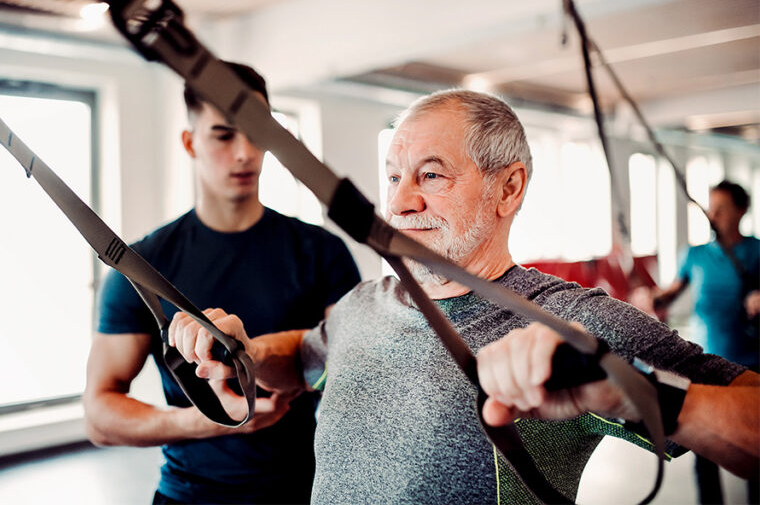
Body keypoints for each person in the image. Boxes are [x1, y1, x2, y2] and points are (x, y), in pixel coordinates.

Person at [168, 90, 759, 504]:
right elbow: (303, 355)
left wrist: (634, 390)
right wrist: (241, 349)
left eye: (431, 175)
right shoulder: (363, 303)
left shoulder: (572, 322)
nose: (399, 204)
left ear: (508, 188)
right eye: (394, 176)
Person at [82, 62, 361, 504]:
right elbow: (99, 415)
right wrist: (209, 420)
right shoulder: (142, 266)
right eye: (224, 134)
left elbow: (354, 369)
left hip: (307, 492)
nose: (245, 152)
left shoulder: (321, 252)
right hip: (191, 494)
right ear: (190, 142)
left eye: (256, 131)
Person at [652, 180, 759, 504]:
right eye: (711, 208)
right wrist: (654, 297)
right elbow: (671, 292)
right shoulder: (695, 255)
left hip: (750, 365)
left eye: (722, 209)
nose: (713, 216)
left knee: (753, 448)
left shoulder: (756, 251)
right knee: (705, 450)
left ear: (741, 211)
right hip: (705, 365)